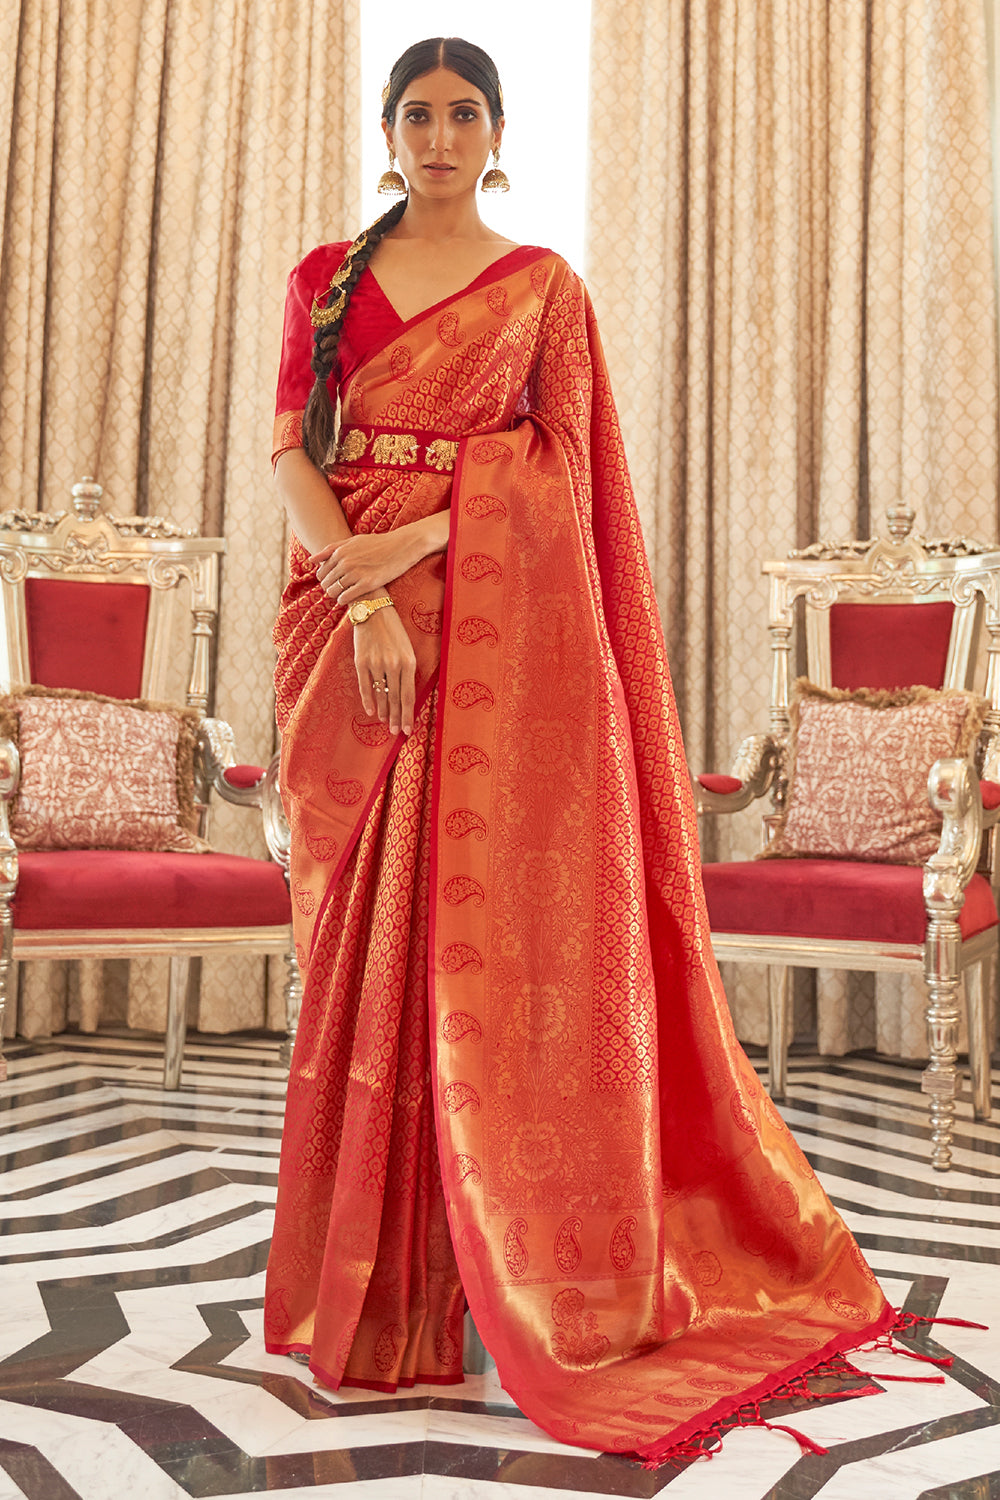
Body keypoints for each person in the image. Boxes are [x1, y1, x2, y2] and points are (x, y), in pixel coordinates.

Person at [264, 36, 894, 1465]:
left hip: (486, 630)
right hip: (344, 617)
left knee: (471, 950)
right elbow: (292, 451)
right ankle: (372, 1298)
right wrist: (360, 591)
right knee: (360, 956)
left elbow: (562, 471)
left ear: (497, 133)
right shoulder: (325, 278)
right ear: (386, 129)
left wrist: (413, 551)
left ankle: (499, 1280)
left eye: (462, 114)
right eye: (416, 114)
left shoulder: (544, 286)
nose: (438, 135)